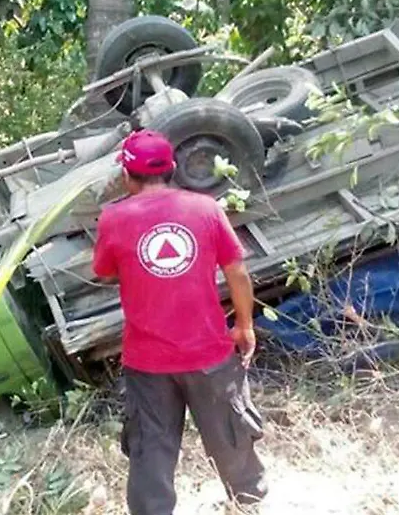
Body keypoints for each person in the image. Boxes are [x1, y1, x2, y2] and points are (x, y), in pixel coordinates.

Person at [92, 128, 267, 515]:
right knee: (230, 436)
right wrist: (244, 325)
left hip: (147, 362)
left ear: (127, 175)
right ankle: (249, 505)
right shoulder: (204, 208)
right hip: (210, 353)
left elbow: (104, 273)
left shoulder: (112, 219)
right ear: (172, 168)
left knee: (151, 451)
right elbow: (237, 272)